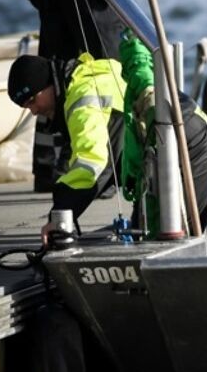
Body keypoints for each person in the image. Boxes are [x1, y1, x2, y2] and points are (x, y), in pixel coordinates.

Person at [7, 53, 126, 244]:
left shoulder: (83, 98)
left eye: (32, 100)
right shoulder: (87, 75)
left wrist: (60, 217)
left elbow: (91, 162)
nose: (34, 111)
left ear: (48, 85)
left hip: (179, 156)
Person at [117, 36, 207, 231]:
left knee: (168, 227)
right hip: (201, 136)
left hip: (191, 144)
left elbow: (141, 144)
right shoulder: (148, 71)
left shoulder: (141, 79)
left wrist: (132, 181)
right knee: (188, 223)